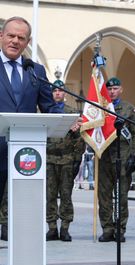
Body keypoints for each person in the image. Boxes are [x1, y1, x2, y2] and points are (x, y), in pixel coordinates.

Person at [0, 16, 63, 241]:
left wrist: (66, 119)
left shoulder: (34, 70)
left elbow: (48, 106)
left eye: (21, 38)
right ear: (1, 36)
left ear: (27, 42)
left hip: (25, 153)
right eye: (11, 35)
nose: (15, 41)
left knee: (22, 213)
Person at [98, 77, 135, 242]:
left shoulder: (129, 109)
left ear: (121, 90)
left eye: (115, 88)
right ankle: (107, 228)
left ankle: (120, 229)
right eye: (109, 89)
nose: (112, 92)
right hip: (104, 156)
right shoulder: (100, 108)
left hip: (123, 157)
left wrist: (134, 155)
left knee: (122, 196)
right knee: (104, 196)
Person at [46, 80, 85, 242]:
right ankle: (52, 228)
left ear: (65, 93)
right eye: (54, 91)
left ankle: (65, 228)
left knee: (66, 195)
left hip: (67, 160)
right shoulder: (45, 112)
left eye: (60, 91)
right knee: (50, 195)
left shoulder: (73, 113)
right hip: (49, 159)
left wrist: (77, 158)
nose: (57, 93)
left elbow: (79, 138)